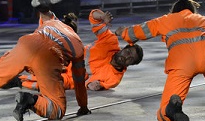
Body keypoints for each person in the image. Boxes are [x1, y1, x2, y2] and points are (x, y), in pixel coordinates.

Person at [8, 6, 144, 92]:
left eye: (130, 59)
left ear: (130, 65)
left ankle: (19, 81)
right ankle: (45, 11)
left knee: (52, 83)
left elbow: (92, 84)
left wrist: (95, 85)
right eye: (128, 52)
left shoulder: (115, 79)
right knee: (54, 37)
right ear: (124, 48)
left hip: (72, 77)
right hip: (69, 56)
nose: (126, 57)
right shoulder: (110, 41)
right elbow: (93, 17)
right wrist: (102, 17)